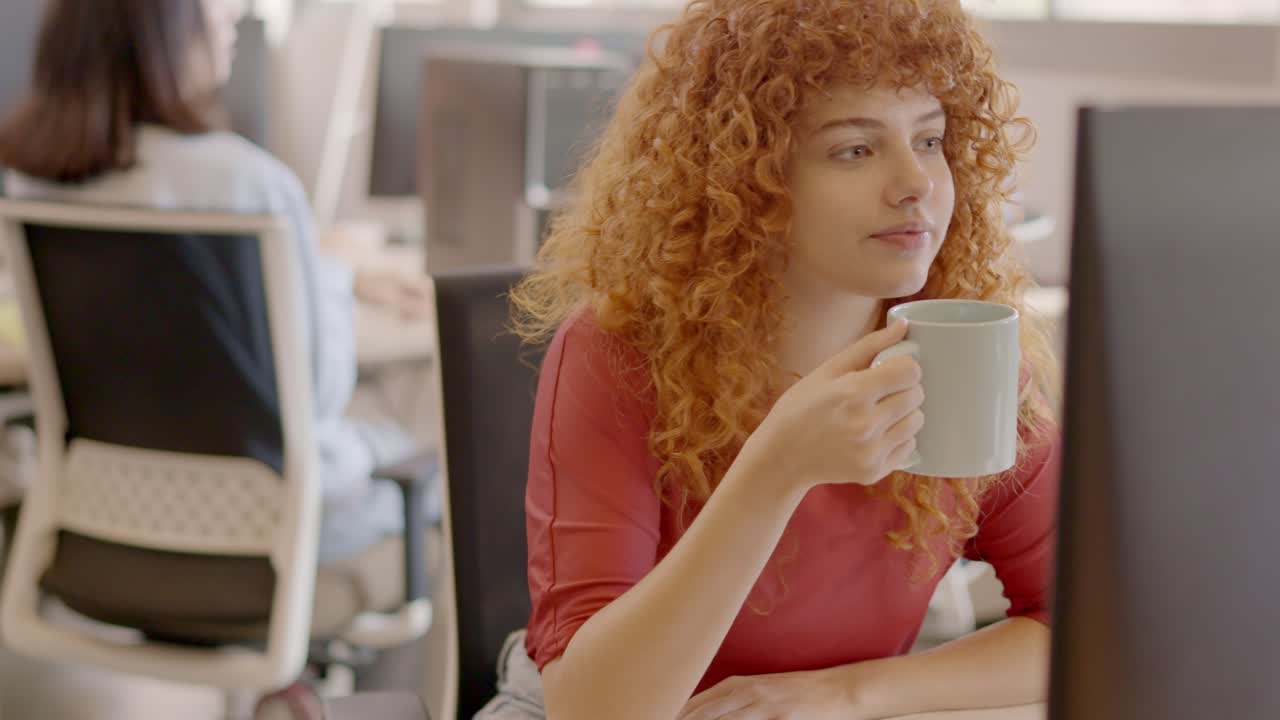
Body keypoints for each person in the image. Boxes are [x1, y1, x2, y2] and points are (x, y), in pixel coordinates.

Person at [496, 1, 1063, 718]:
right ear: (746, 181)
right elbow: (591, 709)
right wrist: (776, 471)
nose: (915, 182)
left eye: (929, 140)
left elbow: (1087, 620)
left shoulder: (965, 353)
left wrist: (846, 693)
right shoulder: (620, 352)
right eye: (854, 150)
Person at [0, 0, 435, 563]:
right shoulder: (252, 183)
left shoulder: (33, 176)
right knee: (432, 462)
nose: (233, 15)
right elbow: (321, 393)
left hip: (104, 519)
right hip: (271, 531)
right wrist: (330, 271)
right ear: (158, 24)